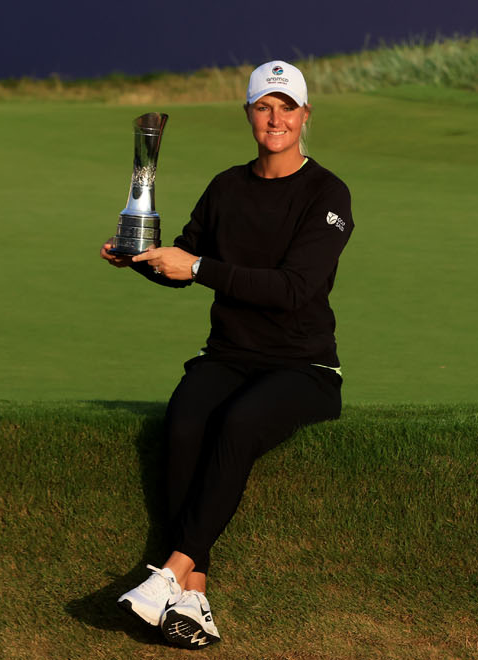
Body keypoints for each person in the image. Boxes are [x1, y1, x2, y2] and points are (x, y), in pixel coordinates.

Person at [100, 59, 353, 650]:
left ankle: (166, 575)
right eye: (264, 107)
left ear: (305, 115)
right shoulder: (227, 186)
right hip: (230, 355)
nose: (275, 119)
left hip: (304, 367)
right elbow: (185, 263)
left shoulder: (327, 193)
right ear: (248, 114)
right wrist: (141, 257)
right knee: (186, 418)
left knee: (237, 424)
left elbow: (295, 288)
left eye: (286, 108)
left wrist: (199, 267)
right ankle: (194, 596)